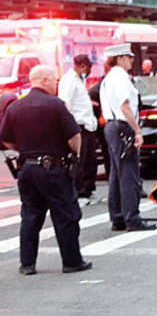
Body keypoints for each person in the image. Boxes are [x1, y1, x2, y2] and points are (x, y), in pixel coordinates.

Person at [0, 65, 91, 275]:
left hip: (27, 169)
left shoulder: (15, 107)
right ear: (43, 80)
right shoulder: (56, 105)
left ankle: (27, 263)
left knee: (31, 215)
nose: (56, 84)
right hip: (53, 168)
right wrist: (75, 154)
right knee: (66, 214)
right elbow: (74, 136)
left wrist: (23, 150)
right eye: (53, 80)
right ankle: (71, 261)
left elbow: (5, 138)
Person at [101, 43, 156, 232]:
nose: (132, 60)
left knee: (117, 175)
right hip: (123, 126)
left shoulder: (110, 77)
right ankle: (132, 218)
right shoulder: (120, 77)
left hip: (113, 126)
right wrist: (137, 130)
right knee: (129, 175)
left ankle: (118, 217)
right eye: (129, 56)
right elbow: (125, 106)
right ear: (119, 58)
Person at [58, 55, 99, 206]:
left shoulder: (79, 80)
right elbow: (66, 104)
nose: (90, 71)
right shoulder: (69, 80)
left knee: (89, 160)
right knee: (79, 161)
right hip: (78, 125)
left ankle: (86, 190)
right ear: (82, 66)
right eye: (89, 67)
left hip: (87, 125)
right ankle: (77, 192)